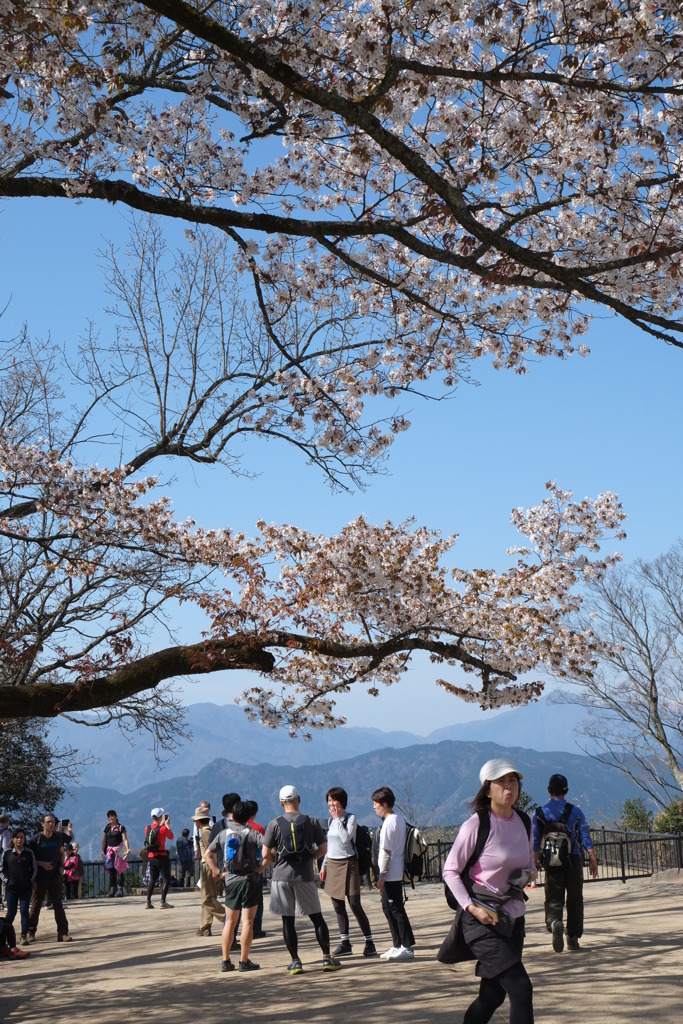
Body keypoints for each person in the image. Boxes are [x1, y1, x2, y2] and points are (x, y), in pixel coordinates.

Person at [443, 758, 536, 1024]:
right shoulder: (477, 824)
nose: (509, 787)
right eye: (502, 782)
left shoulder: (524, 821)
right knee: (521, 989)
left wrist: (528, 873)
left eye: (513, 781)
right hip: (481, 919)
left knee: (492, 995)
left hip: (513, 918)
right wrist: (471, 907)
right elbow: (450, 871)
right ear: (487, 790)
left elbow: (529, 861)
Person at [262, 784, 341, 975]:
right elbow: (323, 849)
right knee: (317, 918)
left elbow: (265, 853)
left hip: (281, 878)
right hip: (304, 876)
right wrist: (309, 858)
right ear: (299, 799)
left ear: (281, 803)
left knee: (287, 921)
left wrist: (277, 859)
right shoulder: (311, 822)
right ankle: (326, 958)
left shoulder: (274, 824)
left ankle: (296, 962)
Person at [532, 773, 598, 952]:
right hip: (573, 859)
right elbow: (584, 835)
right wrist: (592, 859)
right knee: (575, 898)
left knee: (553, 897)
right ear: (566, 790)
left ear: (548, 790)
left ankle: (554, 922)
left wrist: (534, 863)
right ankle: (573, 937)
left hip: (551, 862)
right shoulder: (575, 812)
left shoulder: (539, 813)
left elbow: (535, 841)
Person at [205, 800, 265, 973]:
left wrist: (217, 870)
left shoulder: (224, 834)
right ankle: (244, 961)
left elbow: (208, 854)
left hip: (230, 879)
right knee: (247, 921)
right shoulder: (252, 833)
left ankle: (225, 960)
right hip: (249, 880)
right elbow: (270, 851)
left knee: (229, 922)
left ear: (232, 815)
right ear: (248, 816)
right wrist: (261, 868)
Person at [320, 786, 377, 958]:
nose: (331, 804)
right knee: (338, 906)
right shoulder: (330, 821)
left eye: (333, 800)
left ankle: (369, 942)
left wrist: (338, 819)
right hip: (333, 864)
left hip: (349, 863)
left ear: (341, 802)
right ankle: (345, 942)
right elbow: (330, 846)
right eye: (329, 801)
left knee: (354, 904)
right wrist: (324, 866)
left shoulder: (350, 818)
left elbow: (346, 839)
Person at [371, 785, 415, 962]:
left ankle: (406, 946)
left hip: (390, 872)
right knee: (389, 908)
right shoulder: (400, 819)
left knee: (395, 908)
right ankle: (397, 944)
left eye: (376, 804)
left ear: (384, 804)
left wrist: (382, 876)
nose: (374, 807)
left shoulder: (389, 823)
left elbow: (386, 852)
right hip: (396, 869)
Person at [26, 813, 72, 942]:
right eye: (48, 822)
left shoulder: (58, 837)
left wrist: (62, 866)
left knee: (58, 905)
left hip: (54, 877)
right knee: (36, 905)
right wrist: (42, 864)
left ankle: (63, 933)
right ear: (43, 824)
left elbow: (62, 852)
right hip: (39, 877)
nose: (51, 824)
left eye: (52, 822)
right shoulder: (35, 840)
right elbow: (30, 858)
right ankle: (30, 932)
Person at [192, 806, 225, 937]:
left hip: (208, 866)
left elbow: (212, 851)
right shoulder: (208, 831)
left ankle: (227, 916)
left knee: (207, 898)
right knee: (208, 897)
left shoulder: (206, 832)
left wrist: (214, 869)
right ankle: (205, 926)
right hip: (209, 866)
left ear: (198, 821)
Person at [0, 828, 36, 944]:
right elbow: (2, 870)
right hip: (11, 889)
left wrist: (30, 880)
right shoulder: (7, 853)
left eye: (21, 837)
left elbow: (34, 869)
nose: (19, 839)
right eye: (17, 837)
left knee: (24, 911)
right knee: (11, 912)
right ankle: (4, 935)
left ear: (24, 839)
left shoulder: (29, 853)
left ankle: (24, 935)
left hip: (26, 888)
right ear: (13, 839)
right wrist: (7, 881)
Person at [144, 808, 174, 910]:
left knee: (153, 879)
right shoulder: (163, 829)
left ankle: (148, 902)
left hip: (151, 857)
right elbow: (171, 837)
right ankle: (163, 901)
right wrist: (167, 826)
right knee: (166, 879)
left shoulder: (147, 828)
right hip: (162, 856)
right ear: (161, 817)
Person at [101, 809, 131, 897]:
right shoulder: (107, 827)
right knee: (111, 871)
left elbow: (125, 839)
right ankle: (112, 889)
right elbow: (104, 840)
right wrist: (102, 850)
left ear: (116, 816)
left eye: (112, 815)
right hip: (110, 851)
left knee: (120, 870)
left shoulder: (121, 827)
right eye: (109, 816)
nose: (111, 817)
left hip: (119, 850)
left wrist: (127, 849)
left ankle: (120, 889)